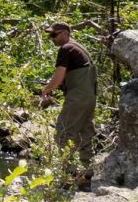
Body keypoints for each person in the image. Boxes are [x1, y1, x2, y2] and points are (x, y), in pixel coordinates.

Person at [39, 21, 96, 173]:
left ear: (65, 33)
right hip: (89, 98)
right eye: (50, 36)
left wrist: (46, 89)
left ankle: (68, 173)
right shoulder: (79, 48)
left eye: (54, 35)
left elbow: (58, 79)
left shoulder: (66, 48)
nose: (52, 39)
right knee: (85, 134)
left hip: (77, 98)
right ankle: (88, 172)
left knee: (63, 132)